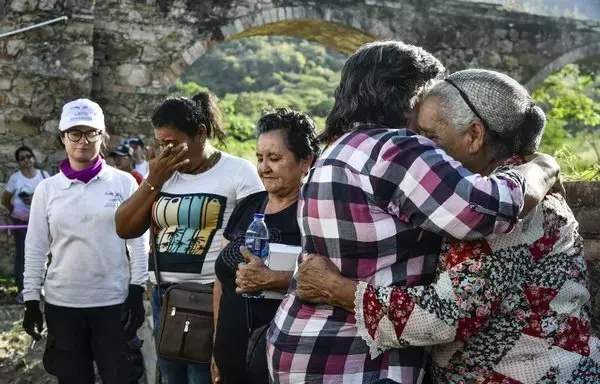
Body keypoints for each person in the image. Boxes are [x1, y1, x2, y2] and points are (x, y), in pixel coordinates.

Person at [267, 42, 561, 384]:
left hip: (303, 340)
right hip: (357, 359)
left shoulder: (340, 149)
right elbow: (487, 207)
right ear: (413, 96)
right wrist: (544, 166)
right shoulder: (395, 149)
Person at [115, 91, 264, 384]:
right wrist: (153, 180)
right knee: (171, 378)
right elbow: (125, 227)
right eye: (161, 144)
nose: (167, 152)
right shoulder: (162, 173)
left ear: (200, 133)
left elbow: (256, 235)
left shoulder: (237, 172)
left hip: (212, 299)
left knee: (203, 378)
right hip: (166, 296)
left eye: (173, 143)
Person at [21, 98, 149, 383]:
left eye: (92, 133)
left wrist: (137, 289)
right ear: (63, 137)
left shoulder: (124, 183)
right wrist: (31, 299)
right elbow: (36, 247)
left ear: (103, 137)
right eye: (74, 133)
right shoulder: (47, 189)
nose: (83, 141)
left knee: (121, 377)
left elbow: (138, 241)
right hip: (63, 304)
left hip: (113, 302)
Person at [212, 109, 320, 384]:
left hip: (285, 360)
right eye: (260, 158)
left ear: (305, 161)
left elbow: (329, 282)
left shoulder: (316, 214)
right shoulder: (249, 206)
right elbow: (221, 283)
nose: (263, 168)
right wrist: (215, 345)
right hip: (231, 356)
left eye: (274, 158)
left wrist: (273, 280)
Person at [1, 146, 49, 303]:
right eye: (22, 158)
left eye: (29, 156)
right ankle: (23, 289)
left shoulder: (43, 176)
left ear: (33, 158)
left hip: (41, 221)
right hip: (21, 222)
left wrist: (34, 198)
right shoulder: (16, 178)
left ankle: (44, 287)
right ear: (18, 162)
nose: (26, 160)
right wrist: (14, 211)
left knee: (45, 253)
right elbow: (5, 199)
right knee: (23, 255)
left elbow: (52, 197)